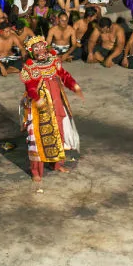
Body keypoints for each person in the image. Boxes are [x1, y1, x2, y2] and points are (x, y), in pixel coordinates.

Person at [20, 35, 83, 182]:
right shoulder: (30, 67)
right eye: (36, 48)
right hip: (40, 106)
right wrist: (37, 98)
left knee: (59, 132)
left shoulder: (54, 60)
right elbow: (30, 87)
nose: (41, 50)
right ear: (31, 51)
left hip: (56, 103)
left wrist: (74, 86)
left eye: (42, 46)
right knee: (38, 138)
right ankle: (36, 172)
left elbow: (64, 75)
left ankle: (57, 164)